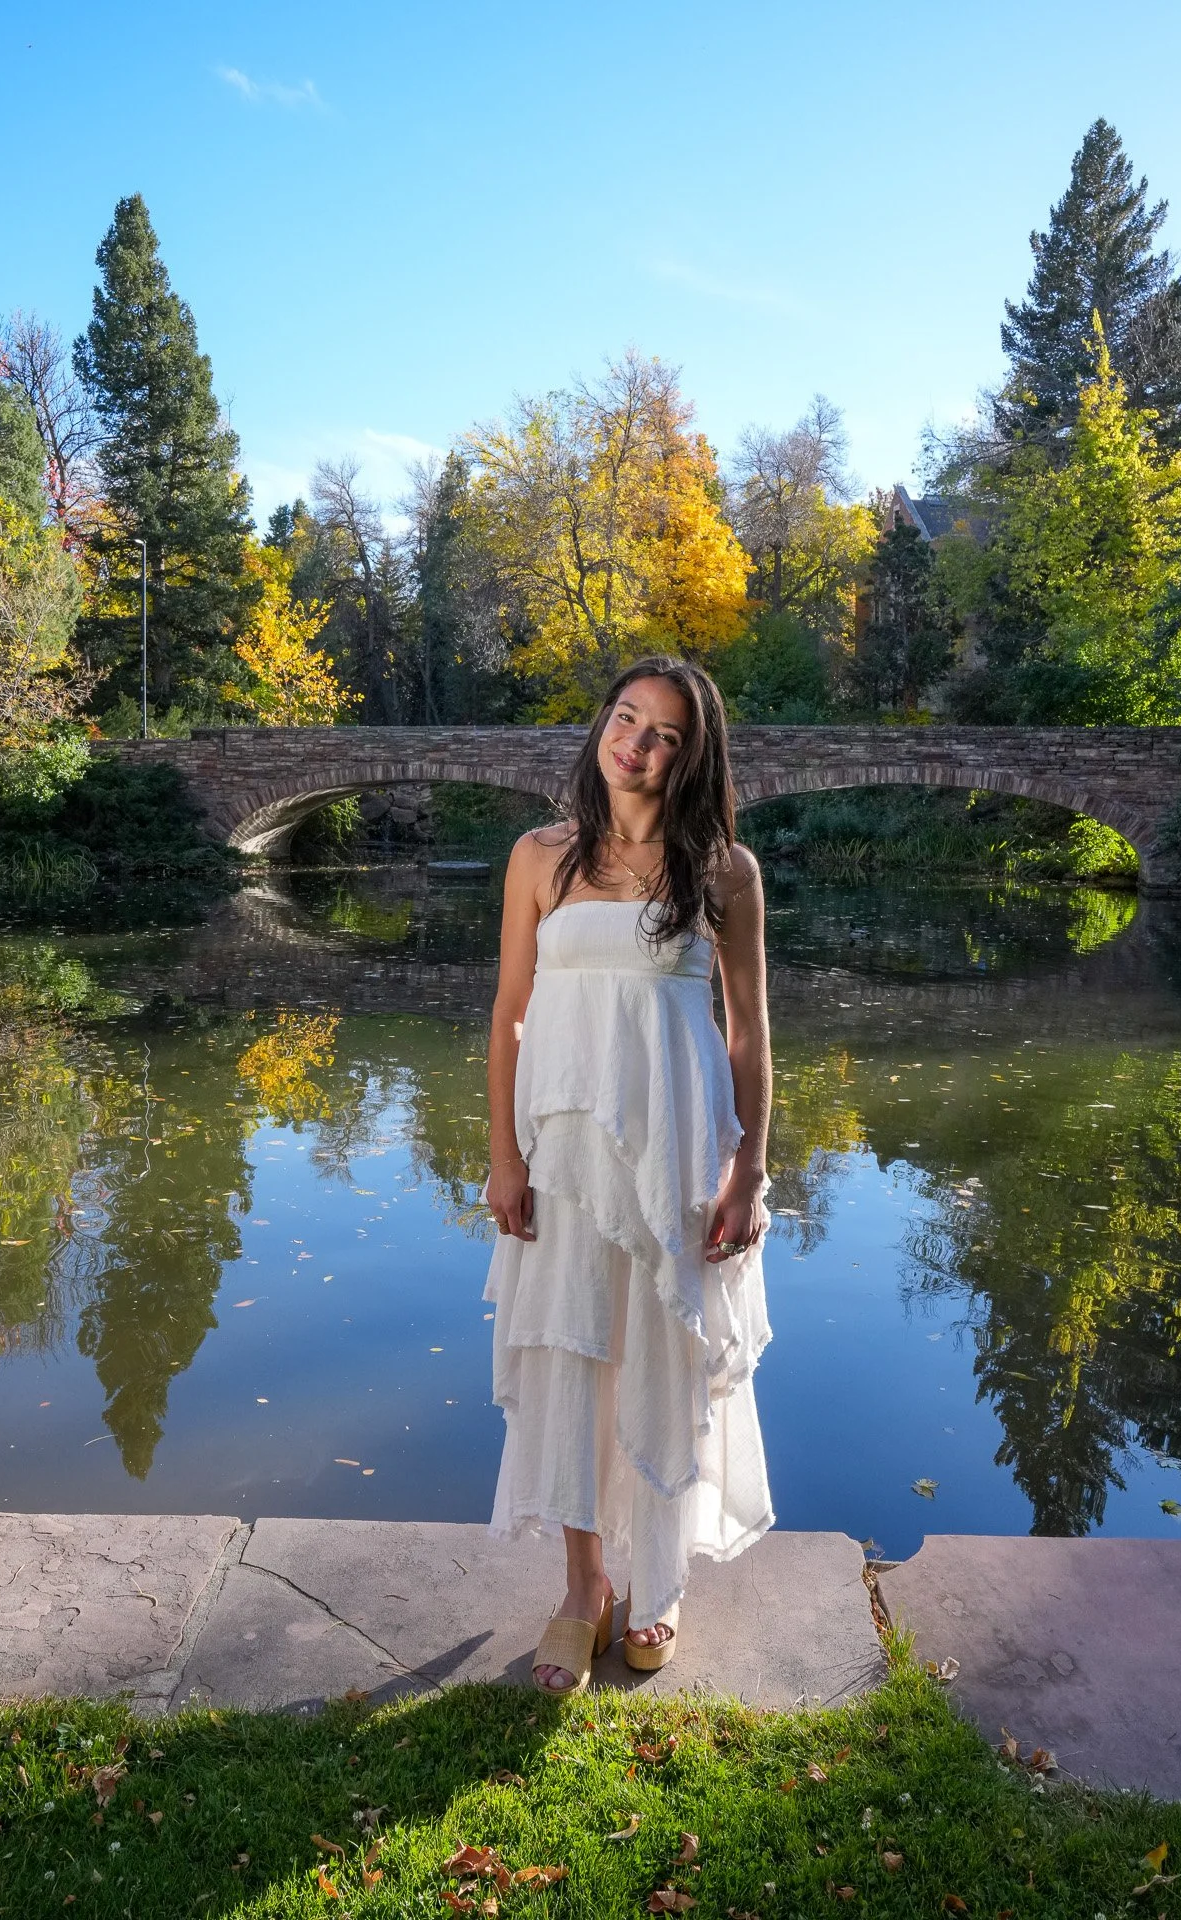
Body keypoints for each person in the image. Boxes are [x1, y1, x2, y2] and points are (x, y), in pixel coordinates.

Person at [484, 655, 774, 1696]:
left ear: (692, 756)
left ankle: (660, 1581)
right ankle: (584, 1585)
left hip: (677, 1154)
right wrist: (501, 1155)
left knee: (661, 1356)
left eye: (662, 732)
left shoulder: (724, 873)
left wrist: (748, 1170)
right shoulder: (539, 857)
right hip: (560, 1154)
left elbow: (747, 1037)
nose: (635, 743)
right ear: (601, 727)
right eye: (625, 717)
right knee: (572, 1357)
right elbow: (510, 1014)